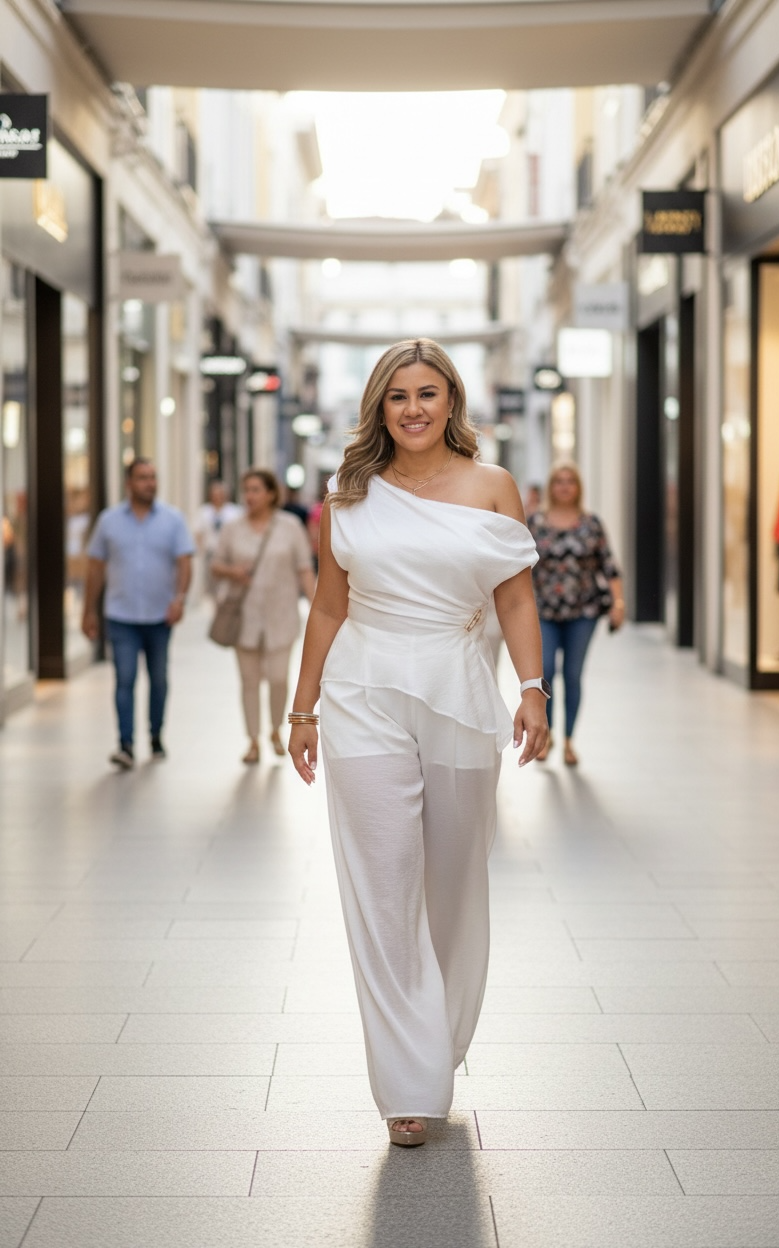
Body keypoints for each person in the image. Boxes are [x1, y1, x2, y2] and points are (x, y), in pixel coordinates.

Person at [287, 339, 548, 1149]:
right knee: (383, 883)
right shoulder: (350, 493)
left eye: (427, 393)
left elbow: (515, 601)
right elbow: (329, 607)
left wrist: (534, 690)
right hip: (362, 692)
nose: (413, 409)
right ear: (378, 407)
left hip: (460, 695)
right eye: (397, 396)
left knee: (453, 879)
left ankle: (443, 1031)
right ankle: (408, 1081)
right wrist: (303, 712)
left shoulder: (492, 486)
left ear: (451, 401)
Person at [82, 458, 194, 769]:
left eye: (153, 477)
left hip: (160, 617)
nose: (150, 483)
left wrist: (180, 599)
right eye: (143, 478)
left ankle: (156, 735)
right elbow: (95, 567)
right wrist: (88, 611)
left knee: (158, 680)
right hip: (121, 615)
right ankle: (126, 745)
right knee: (125, 679)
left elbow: (185, 562)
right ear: (129, 484)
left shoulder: (173, 519)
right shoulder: (109, 521)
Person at [212, 469, 316, 764]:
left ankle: (275, 729)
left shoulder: (290, 526)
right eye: (246, 490)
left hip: (280, 616)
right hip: (244, 617)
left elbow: (304, 568)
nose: (250, 496)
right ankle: (253, 740)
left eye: (256, 489)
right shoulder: (233, 528)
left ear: (271, 493)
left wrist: (316, 606)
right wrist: (233, 572)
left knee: (278, 678)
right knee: (248, 681)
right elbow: (216, 564)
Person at [528, 462, 624, 766]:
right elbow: (518, 567)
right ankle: (547, 735)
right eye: (559, 481)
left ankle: (569, 741)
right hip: (543, 610)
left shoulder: (591, 524)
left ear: (578, 487)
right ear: (551, 487)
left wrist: (618, 604)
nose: (565, 486)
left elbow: (609, 566)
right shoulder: (535, 523)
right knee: (545, 672)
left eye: (571, 481)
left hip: (584, 612)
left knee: (573, 675)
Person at [193, 480, 243, 598]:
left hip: (229, 556)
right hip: (211, 553)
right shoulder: (204, 512)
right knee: (212, 587)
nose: (218, 497)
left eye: (221, 494)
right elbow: (198, 533)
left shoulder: (235, 512)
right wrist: (201, 550)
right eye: (215, 494)